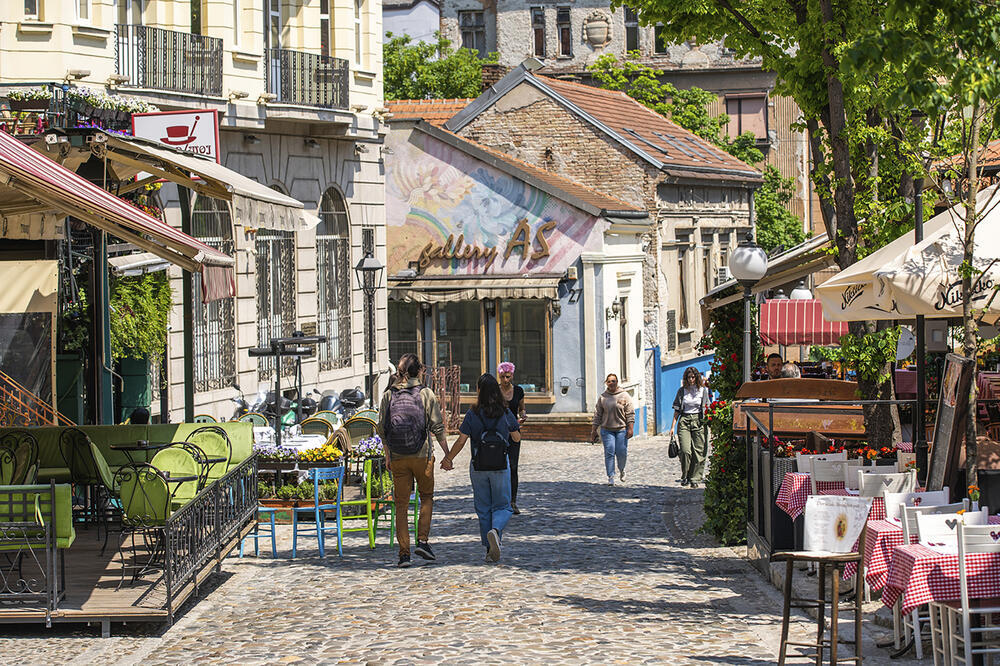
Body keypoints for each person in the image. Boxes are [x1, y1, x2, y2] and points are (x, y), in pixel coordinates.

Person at [377, 353, 450, 568]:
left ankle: (404, 554)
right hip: (422, 455)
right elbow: (437, 426)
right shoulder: (426, 393)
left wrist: (388, 455)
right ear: (420, 371)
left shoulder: (389, 395)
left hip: (399, 457)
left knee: (401, 505)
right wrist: (447, 453)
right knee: (426, 497)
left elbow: (381, 429)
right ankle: (423, 541)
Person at [440, 374, 520, 562]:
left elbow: (461, 440)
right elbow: (516, 438)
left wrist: (448, 459)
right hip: (500, 465)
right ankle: (496, 530)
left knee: (483, 508)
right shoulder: (505, 412)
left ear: (479, 391)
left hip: (478, 465)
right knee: (503, 506)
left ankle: (489, 548)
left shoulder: (472, 413)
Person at [590, 373, 635, 486]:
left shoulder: (624, 396)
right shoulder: (603, 397)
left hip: (621, 429)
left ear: (617, 382)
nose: (611, 383)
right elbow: (597, 415)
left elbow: (630, 413)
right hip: (607, 430)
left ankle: (622, 469)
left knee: (621, 452)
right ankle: (610, 476)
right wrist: (594, 430)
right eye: (609, 381)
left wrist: (630, 428)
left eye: (613, 381)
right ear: (606, 383)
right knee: (609, 452)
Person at [670, 367, 709, 488]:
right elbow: (676, 410)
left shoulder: (703, 391)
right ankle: (685, 475)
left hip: (699, 421)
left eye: (693, 377)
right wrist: (672, 427)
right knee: (686, 451)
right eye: (688, 377)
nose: (691, 380)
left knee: (699, 451)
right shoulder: (682, 391)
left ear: (697, 377)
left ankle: (695, 478)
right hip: (685, 421)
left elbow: (707, 408)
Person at [496, 361, 527, 514]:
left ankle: (512, 501)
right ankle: (500, 500)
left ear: (512, 375)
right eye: (502, 377)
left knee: (513, 467)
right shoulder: (495, 391)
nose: (505, 380)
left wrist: (523, 416)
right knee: (498, 466)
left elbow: (522, 409)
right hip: (498, 433)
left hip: (514, 432)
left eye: (507, 376)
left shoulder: (519, 391)